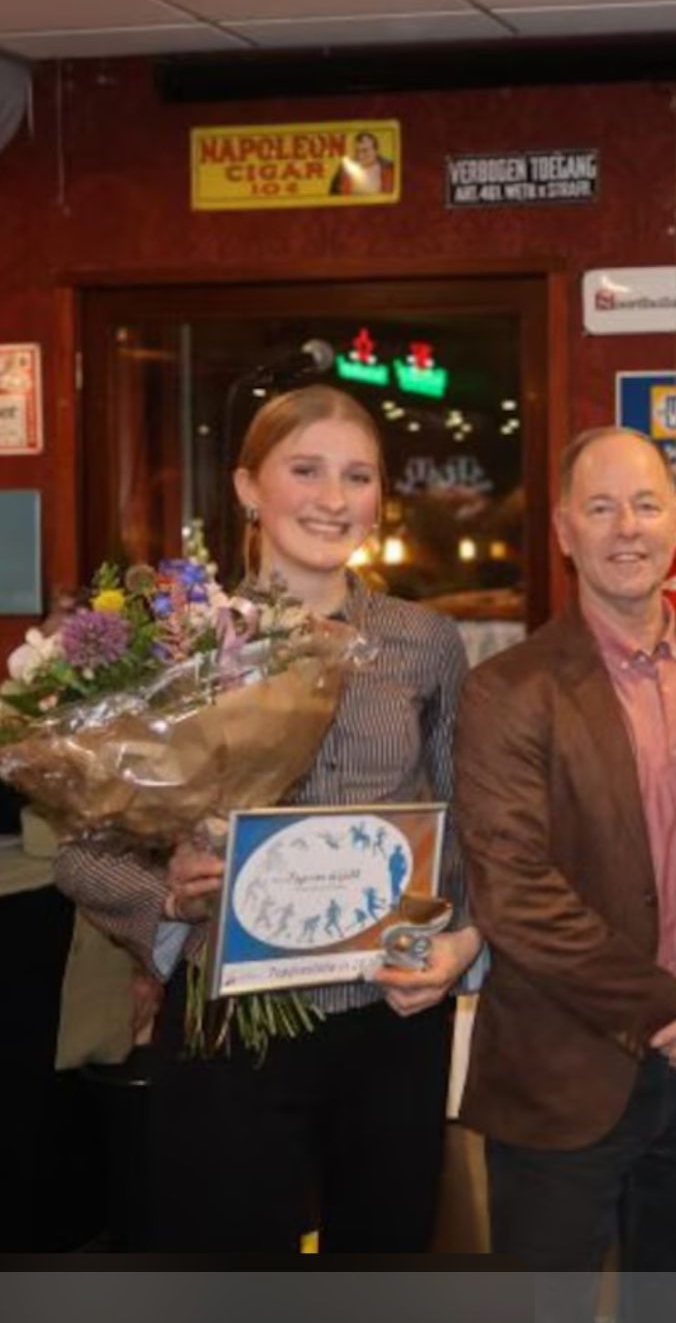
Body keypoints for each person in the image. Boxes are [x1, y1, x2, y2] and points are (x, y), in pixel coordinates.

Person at [52, 384, 479, 1251]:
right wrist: (169, 898)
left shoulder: (423, 640)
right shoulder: (176, 644)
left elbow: (465, 825)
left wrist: (457, 945)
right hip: (224, 1023)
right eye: (306, 469)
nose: (334, 498)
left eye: (358, 476)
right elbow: (79, 853)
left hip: (385, 1016)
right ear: (249, 487)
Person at [455, 426, 676, 1323]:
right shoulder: (506, 690)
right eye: (600, 508)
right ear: (563, 530)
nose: (625, 527)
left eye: (645, 504)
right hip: (562, 1078)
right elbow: (515, 896)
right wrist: (668, 1008)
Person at [329, 131, 394, 196]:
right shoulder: (343, 170)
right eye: (357, 151)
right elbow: (333, 198)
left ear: (376, 150)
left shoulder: (390, 168)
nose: (360, 156)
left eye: (365, 150)